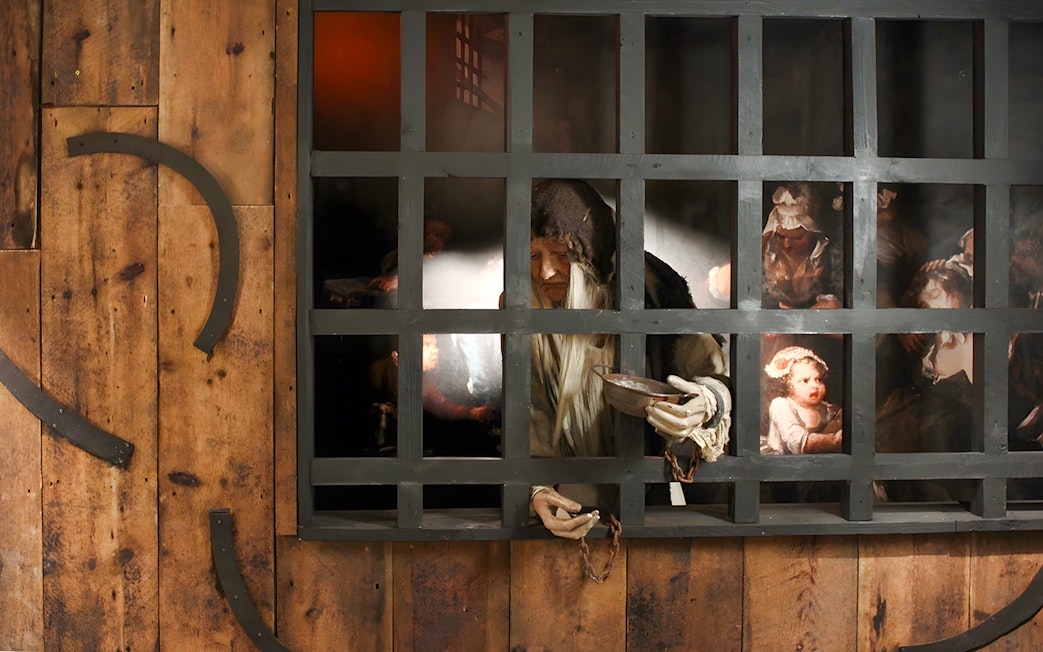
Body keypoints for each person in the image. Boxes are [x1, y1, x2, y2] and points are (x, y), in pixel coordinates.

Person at [523, 179, 732, 539]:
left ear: (588, 255)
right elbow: (534, 413)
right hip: (572, 496)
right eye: (533, 256)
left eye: (560, 255)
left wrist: (704, 403)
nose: (544, 272)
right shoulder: (523, 309)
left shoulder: (649, 297)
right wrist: (536, 491)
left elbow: (712, 375)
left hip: (645, 488)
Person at [762, 183, 843, 309]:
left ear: (813, 234)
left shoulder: (832, 256)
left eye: (797, 238)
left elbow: (837, 298)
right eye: (781, 236)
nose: (787, 244)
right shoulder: (764, 255)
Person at [762, 346, 842, 455]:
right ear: (787, 386)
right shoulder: (781, 405)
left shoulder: (826, 409)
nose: (815, 386)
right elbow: (795, 441)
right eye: (805, 381)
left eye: (818, 379)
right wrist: (834, 441)